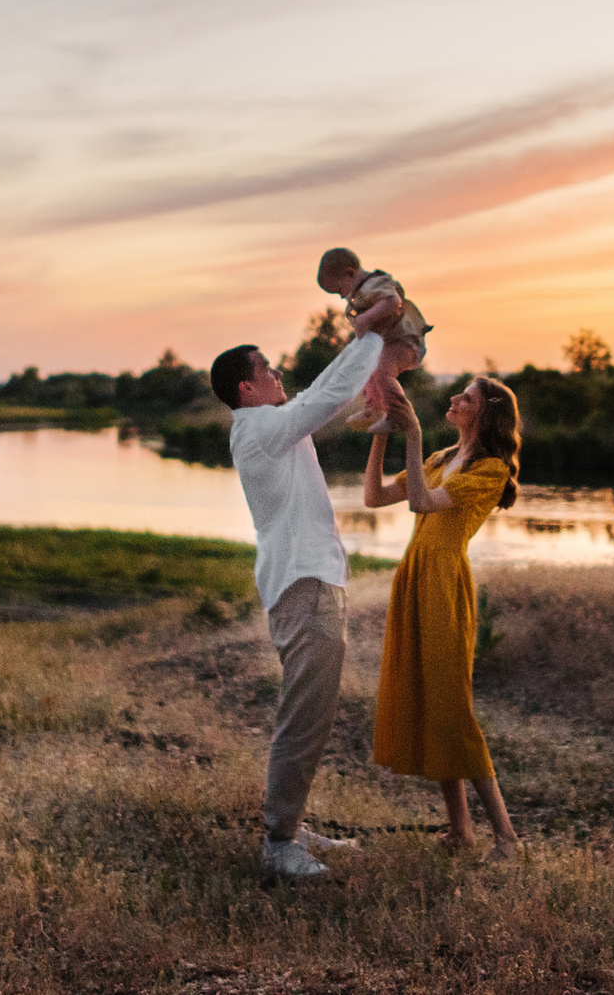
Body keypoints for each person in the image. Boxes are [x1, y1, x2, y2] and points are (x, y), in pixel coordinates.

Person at [212, 289, 402, 881]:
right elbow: (324, 396)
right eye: (266, 368)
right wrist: (368, 335)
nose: (276, 374)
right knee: (305, 717)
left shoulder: (270, 430)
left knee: (310, 716)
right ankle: (278, 844)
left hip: (312, 584)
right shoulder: (258, 428)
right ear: (247, 389)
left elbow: (330, 404)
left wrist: (374, 398)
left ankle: (289, 826)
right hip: (304, 588)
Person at [361, 374, 523, 857]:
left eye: (466, 398)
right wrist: (383, 435)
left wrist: (411, 433)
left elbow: (422, 502)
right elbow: (373, 498)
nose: (454, 400)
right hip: (413, 578)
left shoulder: (491, 471)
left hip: (445, 586)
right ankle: (460, 831)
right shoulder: (437, 460)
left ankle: (508, 838)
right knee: (432, 702)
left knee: (452, 706)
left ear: (486, 413)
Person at [317, 247, 431, 420]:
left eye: (340, 290)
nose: (341, 297)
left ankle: (397, 416)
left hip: (405, 340)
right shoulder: (361, 294)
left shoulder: (374, 284)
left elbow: (393, 301)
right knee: (370, 373)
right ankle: (376, 410)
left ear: (349, 274)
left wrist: (367, 318)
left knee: (382, 372)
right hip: (392, 342)